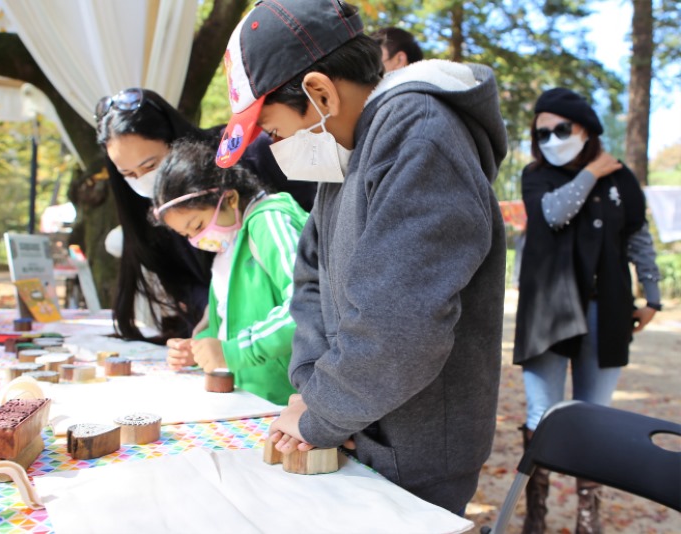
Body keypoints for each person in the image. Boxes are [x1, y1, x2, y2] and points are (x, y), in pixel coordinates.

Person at [215, 0, 508, 515]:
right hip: (356, 424)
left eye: (274, 130)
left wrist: (322, 411)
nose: (276, 144)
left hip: (415, 449)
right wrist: (314, 389)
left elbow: (403, 326)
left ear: (321, 92)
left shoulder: (419, 134)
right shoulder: (344, 154)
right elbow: (308, 281)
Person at [513, 88, 662, 534]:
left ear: (585, 128)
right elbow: (555, 215)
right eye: (542, 132)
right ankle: (534, 517)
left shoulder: (623, 180)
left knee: (594, 416)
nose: (551, 139)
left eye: (561, 128)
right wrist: (591, 173)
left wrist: (651, 296)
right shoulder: (536, 175)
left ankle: (587, 521)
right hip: (549, 310)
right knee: (543, 413)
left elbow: (638, 237)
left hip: (607, 309)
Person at [96, 88, 315, 343]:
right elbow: (183, 281)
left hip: (284, 333)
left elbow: (304, 291)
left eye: (150, 166)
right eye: (129, 174)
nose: (143, 181)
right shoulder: (141, 206)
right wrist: (212, 316)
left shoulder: (253, 167)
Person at [152, 140, 307, 405]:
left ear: (230, 198)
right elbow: (226, 321)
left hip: (290, 403)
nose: (196, 239)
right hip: (253, 401)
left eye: (197, 225)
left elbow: (305, 307)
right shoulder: (230, 243)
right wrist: (200, 348)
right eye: (187, 234)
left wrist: (232, 352)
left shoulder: (269, 222)